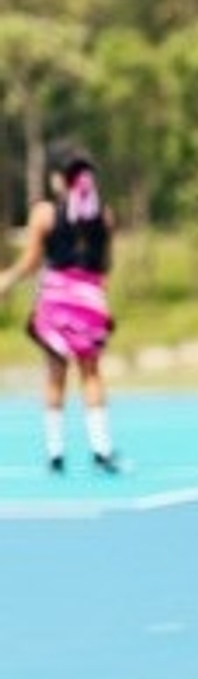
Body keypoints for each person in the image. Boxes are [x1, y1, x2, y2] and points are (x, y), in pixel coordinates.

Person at [0, 150, 123, 474]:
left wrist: (6, 281)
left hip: (57, 302)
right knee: (91, 374)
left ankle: (55, 453)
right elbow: (105, 263)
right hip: (91, 300)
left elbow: (30, 262)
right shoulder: (105, 216)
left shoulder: (45, 214)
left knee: (55, 374)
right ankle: (101, 449)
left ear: (59, 179)